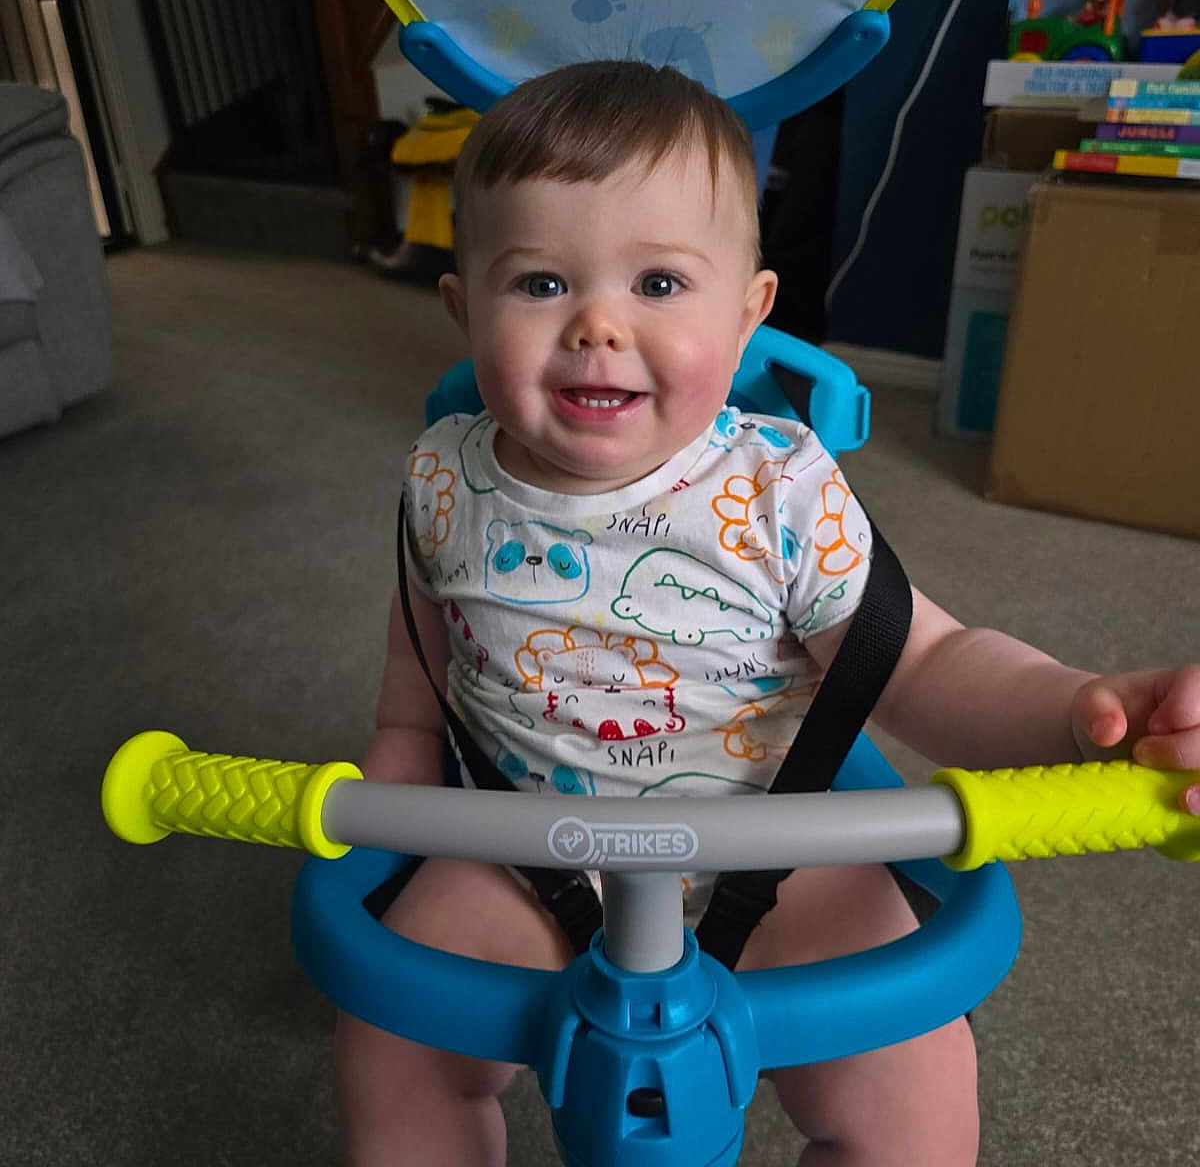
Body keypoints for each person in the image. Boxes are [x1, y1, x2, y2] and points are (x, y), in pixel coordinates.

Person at [335, 60, 1200, 1166]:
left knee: (911, 1071)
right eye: (541, 283)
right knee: (393, 1037)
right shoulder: (441, 480)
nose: (597, 325)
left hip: (776, 850)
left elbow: (924, 663)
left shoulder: (777, 488)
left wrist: (1076, 711)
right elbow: (417, 689)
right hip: (530, 849)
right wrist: (389, 818)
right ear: (463, 310)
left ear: (748, 317)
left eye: (658, 283)